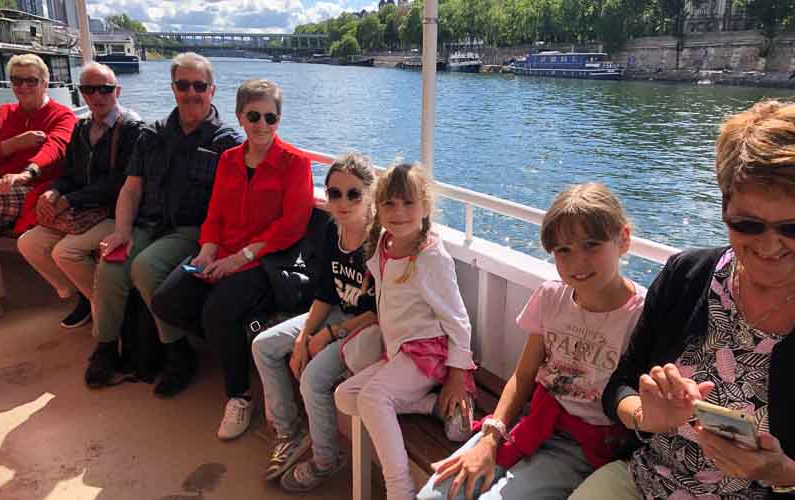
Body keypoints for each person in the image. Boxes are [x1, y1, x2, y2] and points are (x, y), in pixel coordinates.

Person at [569, 100, 795, 499]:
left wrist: (783, 472)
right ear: (724, 208)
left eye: (792, 227)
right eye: (748, 224)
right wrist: (645, 415)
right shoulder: (686, 276)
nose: (770, 244)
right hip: (645, 479)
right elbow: (619, 387)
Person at [417, 183, 647, 500]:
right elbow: (523, 376)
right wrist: (491, 436)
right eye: (563, 250)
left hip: (583, 445)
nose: (577, 262)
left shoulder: (640, 316)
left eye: (591, 245)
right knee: (433, 497)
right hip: (533, 420)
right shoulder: (552, 297)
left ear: (623, 239)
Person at [150, 78, 314, 437]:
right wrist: (207, 249)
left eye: (270, 117)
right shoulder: (228, 160)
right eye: (253, 116)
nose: (262, 125)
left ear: (279, 119)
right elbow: (215, 214)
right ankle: (234, 347)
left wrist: (240, 258)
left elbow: (292, 225)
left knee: (217, 312)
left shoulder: (295, 163)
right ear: (240, 116)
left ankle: (239, 395)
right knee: (165, 301)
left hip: (267, 260)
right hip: (223, 252)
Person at [84, 52, 242, 391]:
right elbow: (132, 188)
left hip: (191, 231)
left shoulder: (226, 142)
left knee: (146, 267)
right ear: (173, 89)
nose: (191, 93)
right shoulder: (152, 134)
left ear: (212, 90)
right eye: (183, 85)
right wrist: (122, 230)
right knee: (110, 267)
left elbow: (235, 204)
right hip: (147, 224)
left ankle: (177, 352)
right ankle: (106, 347)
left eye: (199, 86)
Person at [334, 163, 476, 500]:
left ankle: (400, 490)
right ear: (378, 208)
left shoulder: (429, 257)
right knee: (345, 396)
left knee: (372, 397)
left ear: (425, 208)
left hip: (428, 353)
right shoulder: (385, 242)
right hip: (400, 352)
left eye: (409, 203)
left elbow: (458, 320)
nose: (399, 212)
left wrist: (457, 376)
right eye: (390, 204)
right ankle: (433, 406)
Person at [251, 152, 377, 491]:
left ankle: (326, 460)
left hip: (365, 328)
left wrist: (329, 334)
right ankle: (288, 432)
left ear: (370, 195)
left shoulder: (378, 243)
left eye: (353, 194)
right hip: (336, 314)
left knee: (312, 379)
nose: (342, 202)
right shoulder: (331, 232)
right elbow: (325, 293)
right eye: (334, 193)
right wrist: (302, 337)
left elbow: (379, 313)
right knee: (263, 345)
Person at [17, 62, 142, 329]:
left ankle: (106, 309)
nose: (97, 96)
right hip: (82, 213)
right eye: (88, 89)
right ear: (81, 92)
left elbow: (120, 183)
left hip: (113, 213)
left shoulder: (132, 128)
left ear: (117, 91)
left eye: (104, 89)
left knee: (66, 252)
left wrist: (70, 200)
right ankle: (82, 295)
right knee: (29, 243)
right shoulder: (81, 127)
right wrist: (54, 192)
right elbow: (69, 173)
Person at [0, 53, 76, 319]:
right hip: (2, 190)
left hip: (36, 189)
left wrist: (26, 173)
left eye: (31, 81)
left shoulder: (61, 115)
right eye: (17, 80)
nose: (23, 87)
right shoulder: (4, 114)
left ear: (45, 82)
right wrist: (15, 143)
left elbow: (56, 147)